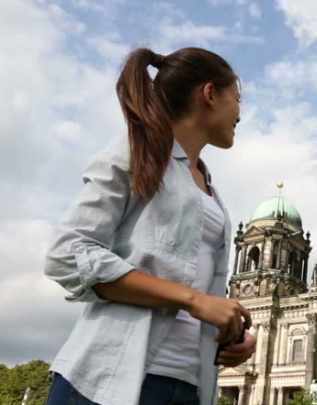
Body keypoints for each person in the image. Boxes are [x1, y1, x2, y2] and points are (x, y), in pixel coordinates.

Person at [43, 47, 255, 405]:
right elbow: (66, 255)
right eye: (237, 100)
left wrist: (230, 336)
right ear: (209, 94)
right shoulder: (134, 151)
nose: (240, 113)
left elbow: (190, 281)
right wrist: (193, 300)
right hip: (109, 380)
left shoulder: (208, 186)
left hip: (189, 385)